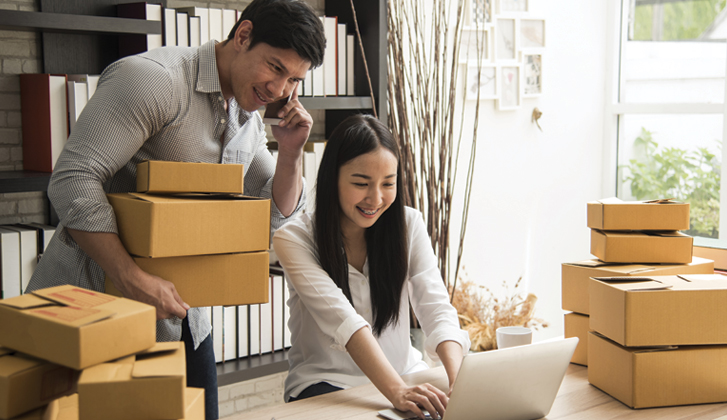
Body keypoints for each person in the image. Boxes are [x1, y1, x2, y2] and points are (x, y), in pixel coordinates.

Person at [25, 1, 325, 418]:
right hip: (93, 308)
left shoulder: (246, 117)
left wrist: (291, 155)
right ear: (242, 36)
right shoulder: (153, 82)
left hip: (182, 318)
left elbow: (274, 216)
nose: (279, 91)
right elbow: (73, 179)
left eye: (293, 79)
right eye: (275, 68)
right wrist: (132, 278)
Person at [272, 114, 471, 420]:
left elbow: (436, 308)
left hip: (406, 374)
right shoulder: (293, 239)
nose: (375, 198)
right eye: (361, 183)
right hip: (328, 386)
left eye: (388, 184)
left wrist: (460, 381)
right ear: (332, 179)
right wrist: (397, 392)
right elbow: (344, 321)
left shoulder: (409, 225)